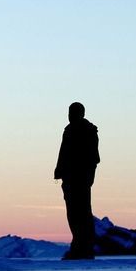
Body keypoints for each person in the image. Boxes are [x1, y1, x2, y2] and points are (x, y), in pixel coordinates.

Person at [54, 102, 100, 260]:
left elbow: (93, 157)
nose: (69, 115)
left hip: (80, 178)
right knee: (74, 212)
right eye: (69, 112)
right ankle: (79, 245)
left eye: (72, 112)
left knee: (82, 212)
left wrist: (84, 174)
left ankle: (84, 247)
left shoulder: (88, 131)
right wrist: (59, 170)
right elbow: (64, 151)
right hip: (70, 177)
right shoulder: (69, 130)